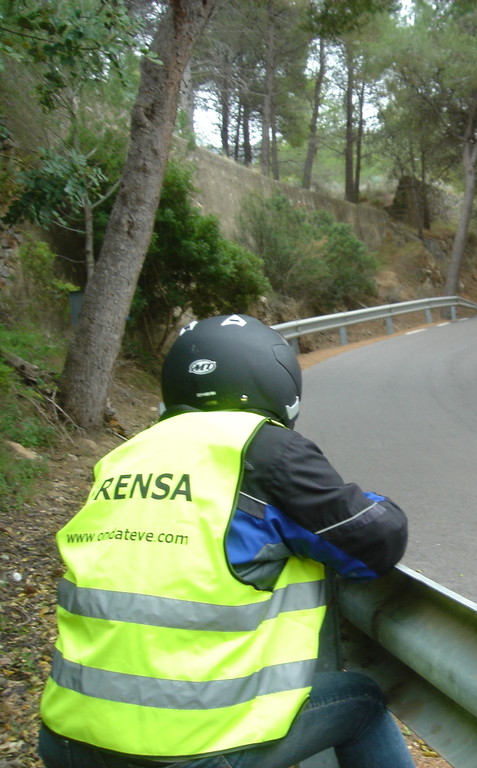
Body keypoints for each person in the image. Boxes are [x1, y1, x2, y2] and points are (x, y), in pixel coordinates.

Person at [38, 314, 414, 768]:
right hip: (187, 750)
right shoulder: (263, 450)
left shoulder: (124, 456)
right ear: (277, 382)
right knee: (363, 703)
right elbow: (375, 541)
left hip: (66, 739)